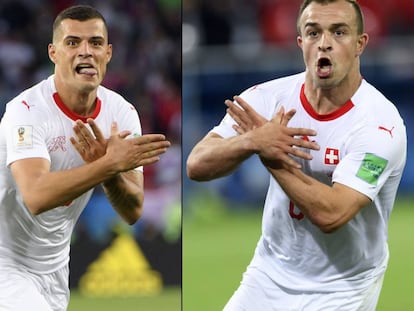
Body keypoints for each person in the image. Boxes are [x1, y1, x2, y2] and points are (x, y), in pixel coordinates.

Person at [186, 0, 407, 310]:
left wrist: (271, 154)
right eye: (313, 32)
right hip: (270, 272)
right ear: (301, 42)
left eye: (339, 32)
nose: (325, 43)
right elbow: (196, 164)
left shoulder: (380, 125)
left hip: (344, 285)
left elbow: (332, 214)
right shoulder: (267, 98)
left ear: (360, 44)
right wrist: (250, 140)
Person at [0, 5, 170, 311]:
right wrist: (106, 165)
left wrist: (110, 174)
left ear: (108, 52)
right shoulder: (25, 112)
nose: (85, 51)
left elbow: (132, 211)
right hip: (5, 263)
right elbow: (35, 196)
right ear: (53, 52)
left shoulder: (121, 114)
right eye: (72, 42)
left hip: (54, 270)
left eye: (95, 43)